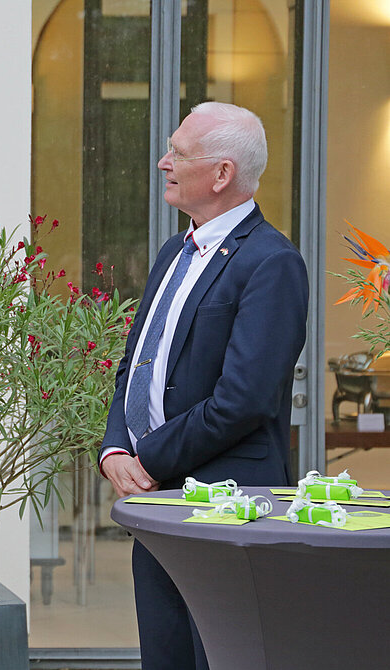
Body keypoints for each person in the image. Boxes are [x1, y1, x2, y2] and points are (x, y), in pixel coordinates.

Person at [100, 102, 308, 670]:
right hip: (159, 502)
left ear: (221, 174)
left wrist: (146, 458)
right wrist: (115, 446)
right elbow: (135, 366)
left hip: (228, 505)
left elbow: (243, 400)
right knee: (163, 658)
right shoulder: (174, 251)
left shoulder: (273, 262)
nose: (164, 162)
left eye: (179, 154)